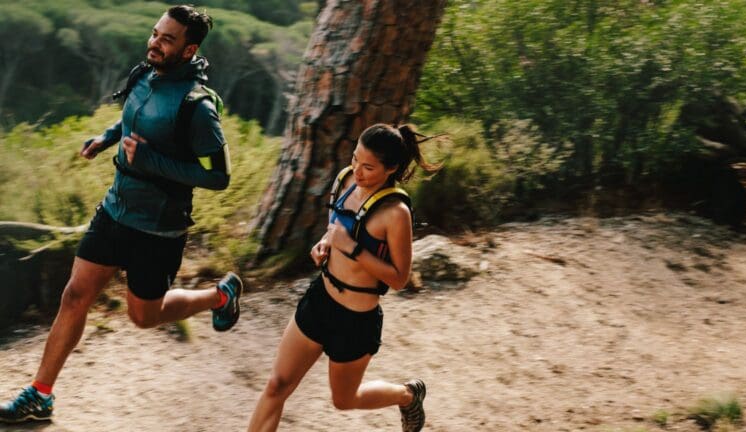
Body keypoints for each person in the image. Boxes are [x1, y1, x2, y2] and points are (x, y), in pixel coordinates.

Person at [0, 5, 243, 424]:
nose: (155, 43)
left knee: (143, 317)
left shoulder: (197, 107)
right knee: (75, 296)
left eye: (167, 39)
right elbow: (132, 118)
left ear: (189, 50)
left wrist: (150, 162)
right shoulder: (146, 76)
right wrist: (106, 137)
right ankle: (40, 393)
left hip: (159, 229)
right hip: (115, 210)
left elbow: (218, 177)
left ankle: (220, 296)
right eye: (155, 33)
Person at [247, 123, 441, 432]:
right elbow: (337, 226)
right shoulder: (346, 180)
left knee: (344, 399)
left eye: (368, 167)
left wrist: (351, 248)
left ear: (391, 169)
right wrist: (324, 243)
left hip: (355, 321)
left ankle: (408, 396)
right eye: (355, 159)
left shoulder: (395, 212)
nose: (358, 171)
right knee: (277, 385)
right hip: (319, 300)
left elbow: (400, 278)